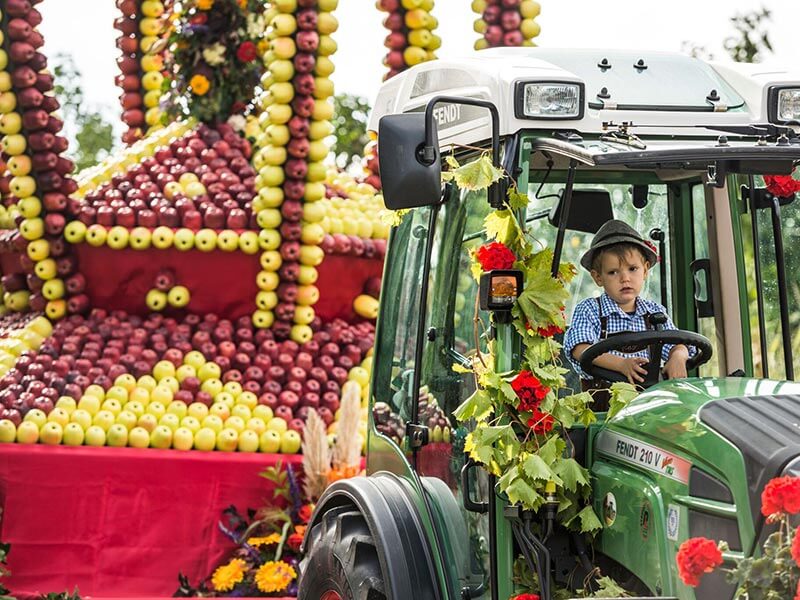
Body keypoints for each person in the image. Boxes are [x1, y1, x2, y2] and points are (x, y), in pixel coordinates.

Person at [563, 220, 690, 406]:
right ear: (598, 277)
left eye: (632, 269)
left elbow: (678, 343)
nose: (625, 278)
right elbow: (580, 349)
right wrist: (620, 365)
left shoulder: (655, 313)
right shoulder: (590, 310)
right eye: (613, 272)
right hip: (603, 410)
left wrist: (678, 356)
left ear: (645, 270)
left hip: (648, 405)